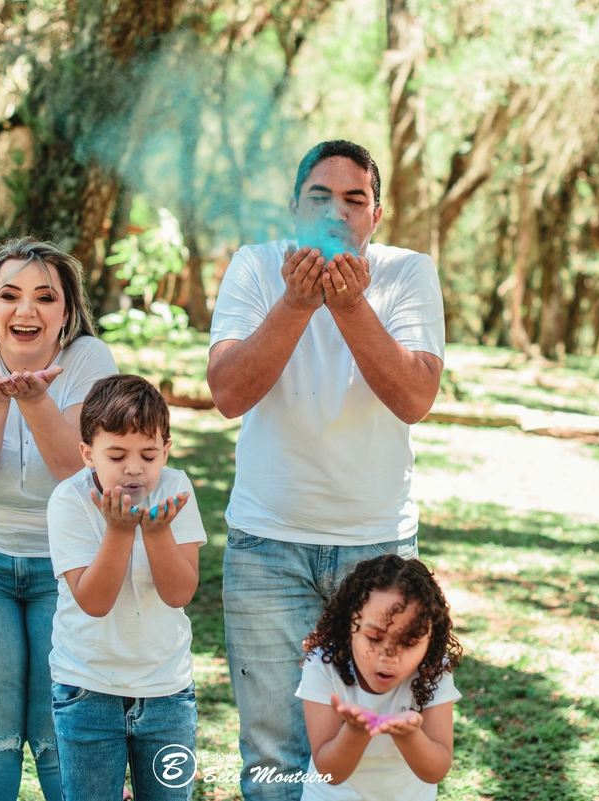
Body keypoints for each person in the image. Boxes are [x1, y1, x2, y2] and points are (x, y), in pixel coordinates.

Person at [206, 139, 446, 800]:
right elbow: (228, 392)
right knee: (273, 754)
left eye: (353, 199)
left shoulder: (408, 273)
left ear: (376, 215)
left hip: (377, 549)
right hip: (266, 545)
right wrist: (295, 303)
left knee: (376, 750)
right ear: (294, 208)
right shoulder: (256, 267)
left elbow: (415, 398)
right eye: (320, 197)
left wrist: (348, 306)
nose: (337, 211)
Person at [0, 236, 117, 801]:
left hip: (66, 566)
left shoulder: (89, 360)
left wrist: (33, 400)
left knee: (61, 736)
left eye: (44, 297)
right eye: (9, 295)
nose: (25, 310)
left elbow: (76, 470)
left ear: (67, 310)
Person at [46, 374, 206, 801]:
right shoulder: (69, 500)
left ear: (166, 450)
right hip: (87, 688)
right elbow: (94, 601)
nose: (134, 468)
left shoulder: (175, 489)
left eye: (148, 455)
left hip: (166, 691)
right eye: (116, 455)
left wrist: (156, 533)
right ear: (87, 454)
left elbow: (179, 593)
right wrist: (118, 531)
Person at [297, 554, 461, 800]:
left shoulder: (433, 668)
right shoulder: (323, 664)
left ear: (431, 640)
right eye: (374, 638)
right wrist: (356, 731)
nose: (389, 656)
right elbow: (331, 773)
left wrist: (409, 735)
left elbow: (436, 771)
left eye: (408, 642)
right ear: (349, 624)